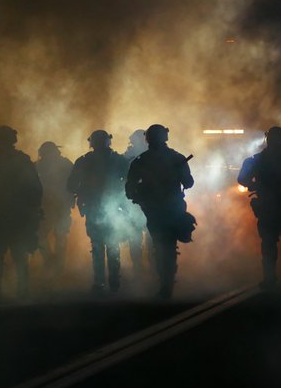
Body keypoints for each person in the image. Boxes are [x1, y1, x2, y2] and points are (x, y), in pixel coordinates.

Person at [125, 124, 194, 299]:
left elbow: (129, 188)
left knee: (160, 246)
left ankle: (165, 283)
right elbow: (189, 183)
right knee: (166, 246)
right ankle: (166, 283)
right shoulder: (175, 158)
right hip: (166, 209)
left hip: (155, 210)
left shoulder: (142, 160)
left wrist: (139, 195)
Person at [238, 126, 281, 290]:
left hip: (272, 208)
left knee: (270, 244)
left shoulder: (257, 160)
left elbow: (243, 179)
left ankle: (271, 278)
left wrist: (256, 185)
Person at [0, 126, 43, 302]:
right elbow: (36, 188)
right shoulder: (21, 160)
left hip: (3, 216)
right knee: (16, 254)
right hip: (12, 215)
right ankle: (20, 290)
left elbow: (34, 188)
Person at [67, 130, 129, 294]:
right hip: (112, 207)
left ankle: (100, 282)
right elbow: (129, 183)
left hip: (95, 207)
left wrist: (82, 191)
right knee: (112, 245)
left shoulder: (84, 161)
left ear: (92, 143)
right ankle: (113, 282)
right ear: (108, 141)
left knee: (97, 246)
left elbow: (71, 185)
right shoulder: (119, 160)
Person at [35, 141, 75, 275]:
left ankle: (55, 264)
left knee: (54, 236)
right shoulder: (64, 164)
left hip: (54, 206)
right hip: (48, 206)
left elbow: (74, 183)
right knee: (56, 236)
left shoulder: (40, 165)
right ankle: (55, 263)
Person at [122, 128, 149, 270]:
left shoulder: (129, 158)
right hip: (140, 202)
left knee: (137, 237)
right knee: (142, 237)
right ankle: (146, 269)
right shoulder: (128, 158)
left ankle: (140, 268)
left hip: (140, 202)